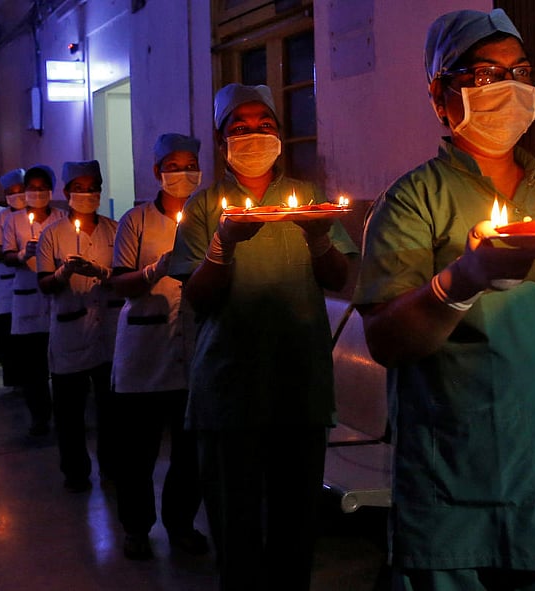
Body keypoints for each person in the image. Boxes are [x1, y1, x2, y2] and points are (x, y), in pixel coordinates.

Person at [351, 10, 535, 590]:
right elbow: (386, 341)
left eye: (520, 72)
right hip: (461, 479)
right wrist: (462, 279)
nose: (509, 88)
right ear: (442, 94)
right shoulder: (415, 199)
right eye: (486, 74)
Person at [169, 83, 359, 590]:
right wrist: (222, 247)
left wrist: (319, 239)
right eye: (240, 128)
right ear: (221, 138)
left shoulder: (310, 197)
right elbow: (200, 299)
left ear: (280, 133)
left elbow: (340, 279)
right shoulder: (205, 207)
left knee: (296, 528)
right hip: (229, 386)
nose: (254, 135)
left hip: (300, 382)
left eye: (265, 126)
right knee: (236, 530)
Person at [109, 133, 207, 560]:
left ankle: (181, 525)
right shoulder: (137, 221)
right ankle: (135, 529)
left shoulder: (208, 217)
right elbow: (119, 282)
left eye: (190, 165)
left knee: (190, 454)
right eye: (173, 166)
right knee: (137, 453)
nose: (183, 174)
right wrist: (156, 269)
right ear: (156, 172)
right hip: (144, 353)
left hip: (193, 350)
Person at [36, 160, 118, 491]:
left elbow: (125, 275)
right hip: (69, 330)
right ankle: (75, 470)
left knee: (110, 408)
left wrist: (102, 273)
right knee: (70, 410)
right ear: (66, 192)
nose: (87, 194)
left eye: (93, 187)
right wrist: (63, 273)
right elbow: (44, 283)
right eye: (79, 189)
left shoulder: (114, 229)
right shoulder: (52, 234)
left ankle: (111, 466)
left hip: (107, 331)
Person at [2, 165, 66, 436]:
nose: (37, 193)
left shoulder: (62, 217)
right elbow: (3, 255)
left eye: (42, 188)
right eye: (32, 188)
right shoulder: (12, 221)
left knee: (61, 361)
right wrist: (20, 255)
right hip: (27, 297)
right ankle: (39, 416)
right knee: (33, 365)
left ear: (51, 190)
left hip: (58, 297)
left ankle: (64, 414)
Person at [0, 169, 26, 389]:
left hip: (33, 283)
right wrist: (16, 255)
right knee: (8, 331)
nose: (17, 195)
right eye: (11, 192)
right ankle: (13, 378)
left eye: (21, 190)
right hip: (7, 281)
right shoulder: (1, 217)